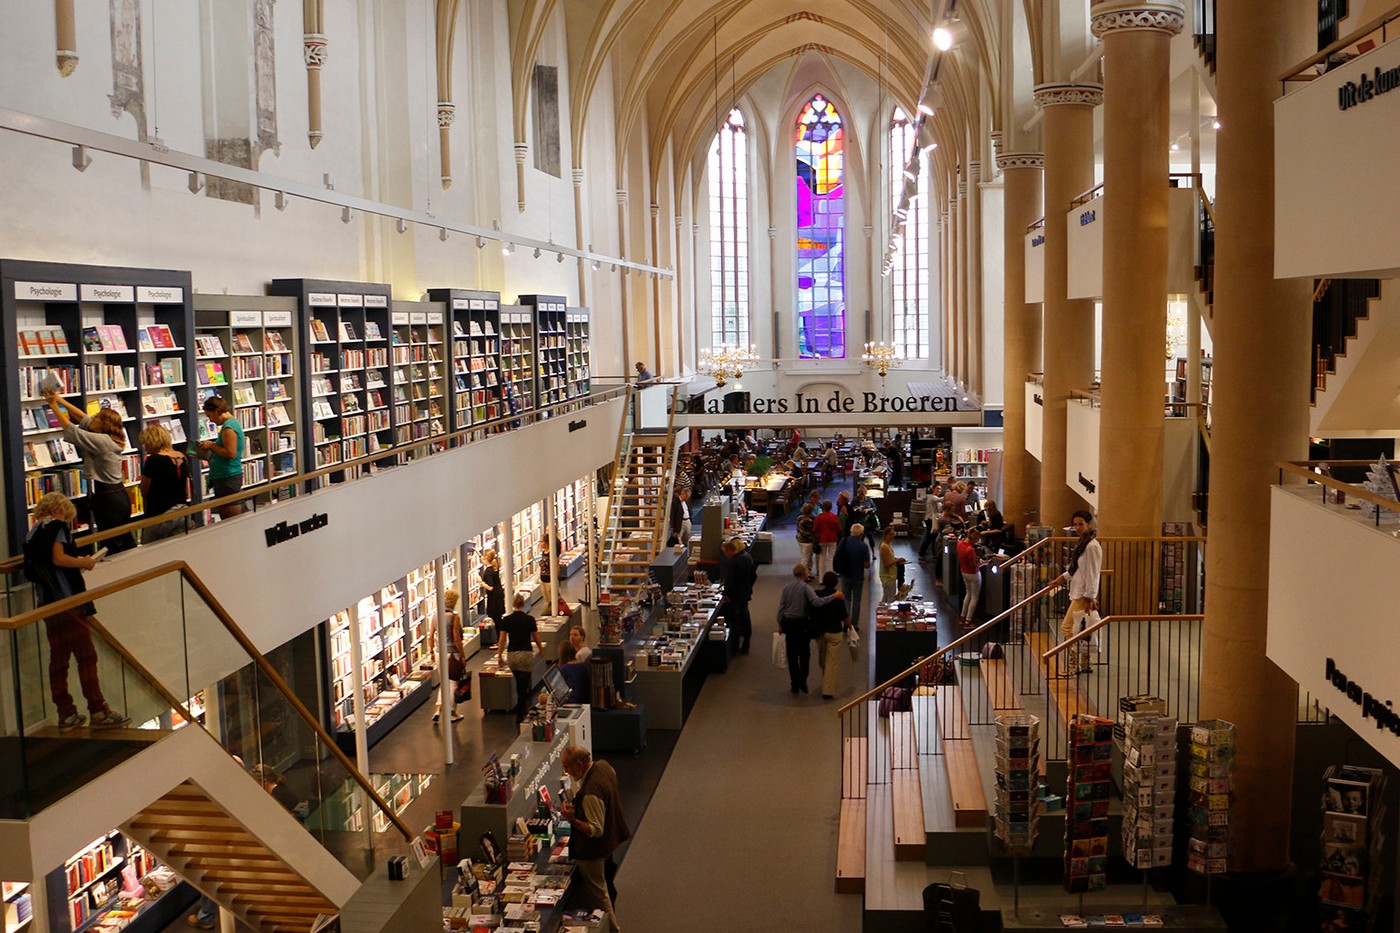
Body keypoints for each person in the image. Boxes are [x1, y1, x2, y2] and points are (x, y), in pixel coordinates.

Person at [22, 492, 130, 731]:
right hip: (68, 600)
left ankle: (66, 713)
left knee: (58, 659)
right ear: (60, 509)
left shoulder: (33, 532)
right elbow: (59, 559)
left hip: (47, 602)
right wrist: (83, 562)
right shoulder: (57, 527)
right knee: (86, 655)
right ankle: (98, 710)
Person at [42, 390, 135, 552]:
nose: (93, 418)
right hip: (119, 493)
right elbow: (84, 418)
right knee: (124, 539)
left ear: (104, 424)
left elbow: (72, 430)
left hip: (108, 497)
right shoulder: (110, 438)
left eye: (97, 417)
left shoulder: (102, 441)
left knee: (110, 543)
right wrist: (59, 400)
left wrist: (53, 405)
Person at [561, 745, 630, 932]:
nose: (566, 772)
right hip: (610, 841)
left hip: (593, 851)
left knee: (600, 895)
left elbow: (595, 830)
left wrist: (572, 819)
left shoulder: (590, 793)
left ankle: (613, 929)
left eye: (567, 767)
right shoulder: (604, 766)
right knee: (607, 884)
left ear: (579, 764)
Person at [775, 564, 845, 694]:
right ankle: (803, 677)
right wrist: (834, 596)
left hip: (788, 623)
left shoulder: (786, 588)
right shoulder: (806, 588)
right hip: (801, 623)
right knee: (804, 652)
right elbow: (817, 602)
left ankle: (794, 683)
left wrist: (780, 624)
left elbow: (781, 608)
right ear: (804, 574)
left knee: (791, 654)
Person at [1054, 510, 1102, 675]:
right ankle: (1086, 662)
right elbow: (1077, 569)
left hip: (1083, 595)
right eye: (1075, 524)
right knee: (1082, 628)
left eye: (1081, 524)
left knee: (1068, 627)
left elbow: (1093, 573)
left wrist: (1090, 596)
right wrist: (1061, 578)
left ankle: (1073, 665)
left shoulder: (1091, 546)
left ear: (1088, 524)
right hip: (1079, 591)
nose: (1077, 527)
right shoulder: (1083, 543)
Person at [137, 423, 192, 544]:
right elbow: (187, 490)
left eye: (146, 444)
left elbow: (144, 491)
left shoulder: (153, 460)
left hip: (159, 514)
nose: (145, 448)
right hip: (182, 511)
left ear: (153, 441)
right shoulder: (182, 457)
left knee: (151, 549)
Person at [195, 395, 245, 520]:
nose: (211, 420)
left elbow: (230, 453)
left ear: (217, 411)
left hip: (227, 475)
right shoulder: (230, 424)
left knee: (229, 516)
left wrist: (211, 445)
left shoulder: (228, 428)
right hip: (225, 475)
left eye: (210, 416)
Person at [497, 593, 544, 722]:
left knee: (518, 682)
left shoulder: (506, 620)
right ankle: (522, 710)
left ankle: (520, 708)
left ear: (513, 604)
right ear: (523, 604)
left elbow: (502, 640)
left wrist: (500, 655)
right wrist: (540, 649)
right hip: (526, 654)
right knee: (525, 683)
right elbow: (536, 637)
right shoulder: (529, 619)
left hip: (512, 655)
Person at [811, 571, 851, 700]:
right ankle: (828, 690)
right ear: (836, 582)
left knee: (823, 660)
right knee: (832, 662)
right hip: (834, 632)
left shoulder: (816, 595)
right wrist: (850, 627)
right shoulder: (838, 597)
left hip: (820, 633)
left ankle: (826, 680)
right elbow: (844, 616)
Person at [433, 589, 466, 723]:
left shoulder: (435, 616)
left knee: (444, 682)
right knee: (453, 682)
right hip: (452, 653)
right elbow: (456, 638)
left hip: (439, 652)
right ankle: (452, 712)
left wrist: (431, 652)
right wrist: (462, 655)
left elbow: (431, 635)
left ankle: (438, 710)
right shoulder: (454, 617)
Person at [720, 538, 756, 653]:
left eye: (725, 553)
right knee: (745, 618)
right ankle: (746, 644)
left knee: (734, 620)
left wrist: (725, 593)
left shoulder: (733, 562)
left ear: (730, 551)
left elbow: (730, 580)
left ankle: (734, 647)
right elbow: (753, 575)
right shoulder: (747, 557)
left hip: (734, 596)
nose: (725, 555)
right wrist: (749, 586)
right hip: (745, 593)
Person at [836, 523, 873, 631]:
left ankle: (846, 622)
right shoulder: (863, 546)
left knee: (846, 598)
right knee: (857, 600)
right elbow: (866, 565)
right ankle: (854, 624)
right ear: (861, 534)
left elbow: (837, 555)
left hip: (845, 574)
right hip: (857, 576)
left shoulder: (844, 541)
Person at [957, 528, 985, 629]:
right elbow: (973, 566)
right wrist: (982, 563)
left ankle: (962, 617)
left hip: (964, 572)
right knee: (974, 597)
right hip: (973, 574)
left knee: (968, 593)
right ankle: (968, 621)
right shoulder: (970, 550)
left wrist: (975, 559)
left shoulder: (959, 543)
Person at [479, 549, 506, 646]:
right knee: (498, 618)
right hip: (498, 595)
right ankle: (501, 639)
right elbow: (483, 559)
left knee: (496, 619)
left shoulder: (488, 572)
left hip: (494, 598)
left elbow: (490, 587)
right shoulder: (495, 566)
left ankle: (500, 641)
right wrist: (478, 553)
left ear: (486, 558)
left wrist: (480, 582)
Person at [813, 498, 841, 578]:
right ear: (831, 507)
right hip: (832, 539)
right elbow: (839, 529)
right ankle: (831, 577)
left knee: (822, 558)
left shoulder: (818, 517)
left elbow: (814, 529)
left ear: (823, 507)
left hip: (822, 539)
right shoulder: (834, 516)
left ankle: (821, 578)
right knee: (831, 558)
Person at [878, 525, 906, 603]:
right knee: (890, 598)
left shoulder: (887, 545)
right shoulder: (884, 547)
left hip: (890, 575)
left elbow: (889, 558)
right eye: (891, 534)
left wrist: (897, 559)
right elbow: (886, 564)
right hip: (888, 576)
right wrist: (897, 561)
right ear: (886, 535)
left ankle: (882, 609)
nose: (893, 536)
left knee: (886, 597)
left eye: (893, 534)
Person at [795, 502, 817, 572]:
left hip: (800, 539)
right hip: (807, 541)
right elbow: (814, 530)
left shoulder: (799, 518)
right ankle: (802, 573)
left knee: (807, 556)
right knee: (805, 559)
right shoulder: (811, 520)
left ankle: (808, 572)